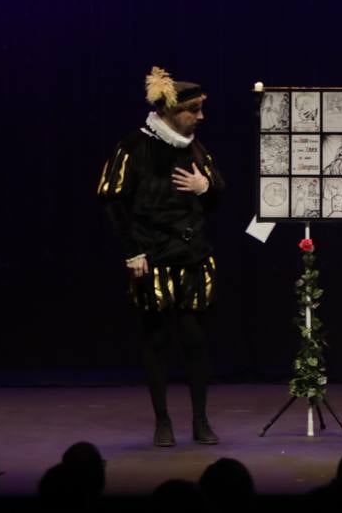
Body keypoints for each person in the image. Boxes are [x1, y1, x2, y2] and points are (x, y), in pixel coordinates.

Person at [97, 66, 225, 447]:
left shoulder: (195, 147)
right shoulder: (134, 146)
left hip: (193, 255)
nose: (200, 117)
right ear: (170, 112)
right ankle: (163, 421)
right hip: (152, 257)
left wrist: (206, 187)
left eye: (201, 109)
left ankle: (201, 420)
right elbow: (111, 197)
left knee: (195, 340)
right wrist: (132, 250)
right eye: (193, 110)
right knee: (155, 340)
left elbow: (218, 193)